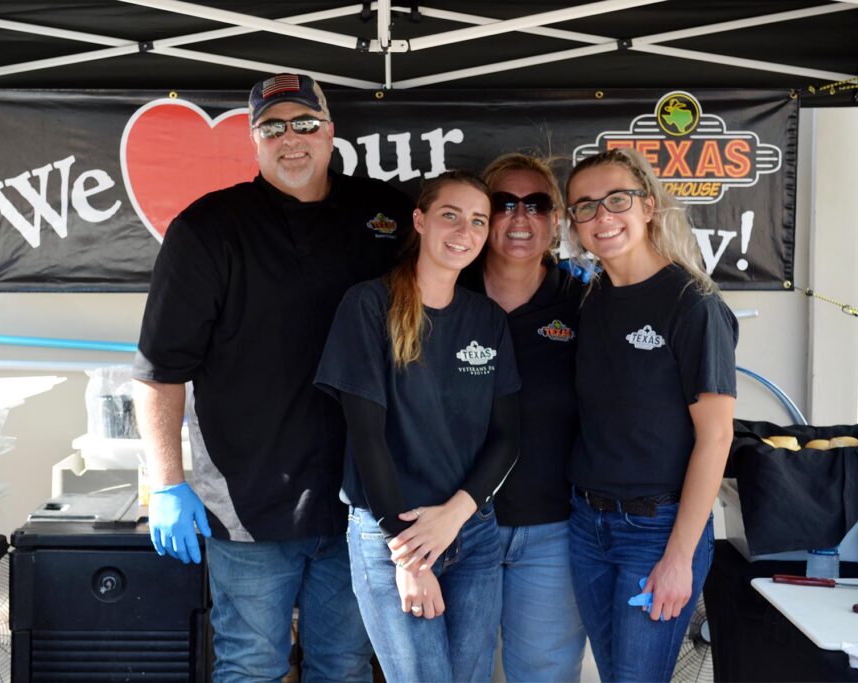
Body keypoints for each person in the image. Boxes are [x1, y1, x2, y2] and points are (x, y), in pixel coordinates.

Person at [131, 72, 414, 682]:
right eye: (273, 127)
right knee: (250, 665)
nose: (292, 139)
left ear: (330, 131)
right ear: (254, 141)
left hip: (362, 498)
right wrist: (166, 485)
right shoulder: (207, 229)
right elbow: (160, 371)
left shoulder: (385, 214)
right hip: (248, 505)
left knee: (342, 666)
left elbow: (458, 267)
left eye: (305, 123)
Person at [314, 171, 522, 683]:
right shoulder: (368, 305)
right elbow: (367, 439)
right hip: (392, 535)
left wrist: (456, 514)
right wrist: (408, 556)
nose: (464, 231)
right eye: (450, 215)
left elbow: (509, 436)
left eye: (478, 221)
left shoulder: (487, 319)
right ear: (420, 220)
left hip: (471, 532)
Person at [564, 148, 738, 682]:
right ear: (573, 224)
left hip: (656, 528)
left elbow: (715, 438)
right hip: (586, 522)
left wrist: (679, 557)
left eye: (617, 199)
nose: (602, 217)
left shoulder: (693, 304)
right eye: (586, 207)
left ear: (648, 207)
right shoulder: (590, 300)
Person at [458, 153, 587, 682]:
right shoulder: (443, 295)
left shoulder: (584, 303)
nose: (519, 217)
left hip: (551, 531)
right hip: (456, 528)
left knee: (545, 675)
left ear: (555, 221)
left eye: (536, 204)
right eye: (503, 204)